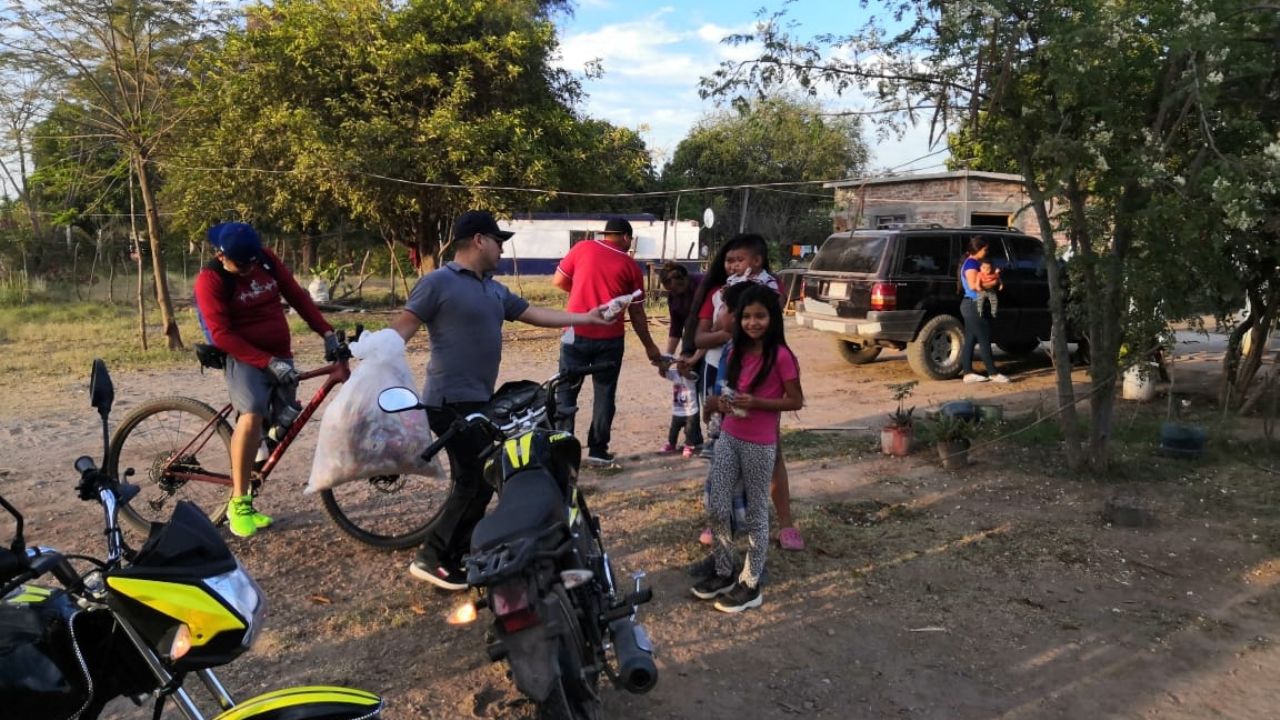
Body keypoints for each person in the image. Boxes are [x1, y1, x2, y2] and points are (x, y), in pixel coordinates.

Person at [392, 210, 609, 590]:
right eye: (498, 241)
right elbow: (401, 331)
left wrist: (588, 317)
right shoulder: (437, 283)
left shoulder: (493, 289)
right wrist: (374, 368)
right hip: (448, 402)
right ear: (478, 240)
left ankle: (452, 553)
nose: (501, 249)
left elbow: (535, 313)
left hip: (480, 401)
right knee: (474, 479)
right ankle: (433, 557)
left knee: (480, 479)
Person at [193, 222, 337, 539]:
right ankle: (238, 503)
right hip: (241, 355)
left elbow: (298, 297)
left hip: (278, 351)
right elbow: (220, 334)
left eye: (251, 262)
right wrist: (264, 362)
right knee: (253, 411)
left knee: (286, 420)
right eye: (240, 264)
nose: (247, 269)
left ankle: (254, 460)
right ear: (220, 255)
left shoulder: (266, 261)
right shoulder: (211, 280)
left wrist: (326, 332)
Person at [684, 234, 805, 552]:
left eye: (739, 259)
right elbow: (699, 337)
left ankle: (786, 523)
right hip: (719, 372)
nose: (732, 264)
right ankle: (718, 519)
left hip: (759, 375)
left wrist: (736, 325)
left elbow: (772, 311)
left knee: (771, 450)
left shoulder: (767, 290)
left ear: (757, 260)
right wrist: (727, 332)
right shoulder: (717, 292)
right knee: (722, 449)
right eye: (728, 259)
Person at [690, 284, 804, 613]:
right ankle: (725, 571)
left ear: (773, 318)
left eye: (761, 316)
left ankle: (751, 583)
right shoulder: (734, 352)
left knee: (756, 513)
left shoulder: (781, 356)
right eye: (747, 317)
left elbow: (795, 399)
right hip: (729, 436)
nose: (753, 323)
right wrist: (720, 403)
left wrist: (757, 402)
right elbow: (729, 390)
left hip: (760, 444)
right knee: (718, 505)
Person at [553, 217, 663, 468]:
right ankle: (598, 451)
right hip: (609, 339)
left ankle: (562, 453)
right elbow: (636, 313)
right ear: (625, 237)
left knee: (566, 393)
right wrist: (649, 346)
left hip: (574, 333)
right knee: (604, 394)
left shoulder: (581, 248)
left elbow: (558, 281)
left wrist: (580, 289)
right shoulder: (630, 267)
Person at [959, 237, 1011, 384]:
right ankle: (992, 373)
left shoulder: (973, 263)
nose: (986, 252)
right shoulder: (971, 265)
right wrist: (994, 282)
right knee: (984, 338)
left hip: (972, 304)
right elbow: (974, 285)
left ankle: (968, 373)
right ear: (977, 250)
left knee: (970, 339)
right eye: (985, 250)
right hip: (974, 304)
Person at [660, 362, 702, 457]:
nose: (681, 366)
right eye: (680, 364)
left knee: (689, 431)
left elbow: (688, 376)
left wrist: (684, 369)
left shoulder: (693, 375)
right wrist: (662, 365)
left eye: (685, 364)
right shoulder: (675, 374)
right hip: (677, 411)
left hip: (691, 411)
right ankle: (671, 444)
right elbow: (663, 373)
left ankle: (689, 445)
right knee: (673, 429)